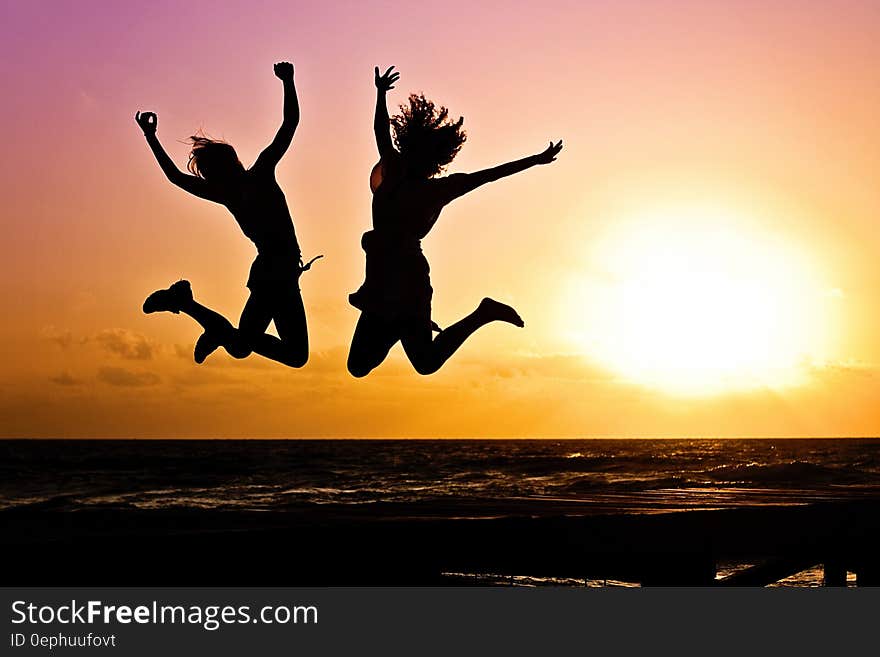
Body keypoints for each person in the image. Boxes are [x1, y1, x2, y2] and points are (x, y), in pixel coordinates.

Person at [347, 66, 562, 377]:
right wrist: (380, 94)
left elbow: (490, 175)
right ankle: (403, 324)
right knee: (359, 365)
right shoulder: (398, 172)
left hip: (406, 279)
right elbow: (381, 132)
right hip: (384, 279)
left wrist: (535, 160)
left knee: (424, 362)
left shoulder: (432, 188)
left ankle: (482, 313)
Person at [135, 61, 320, 368]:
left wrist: (151, 136)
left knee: (246, 346)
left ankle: (192, 308)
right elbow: (290, 124)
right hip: (277, 272)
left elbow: (289, 125)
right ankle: (194, 310)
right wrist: (288, 81)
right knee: (278, 352)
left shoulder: (231, 191)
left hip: (277, 271)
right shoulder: (254, 177)